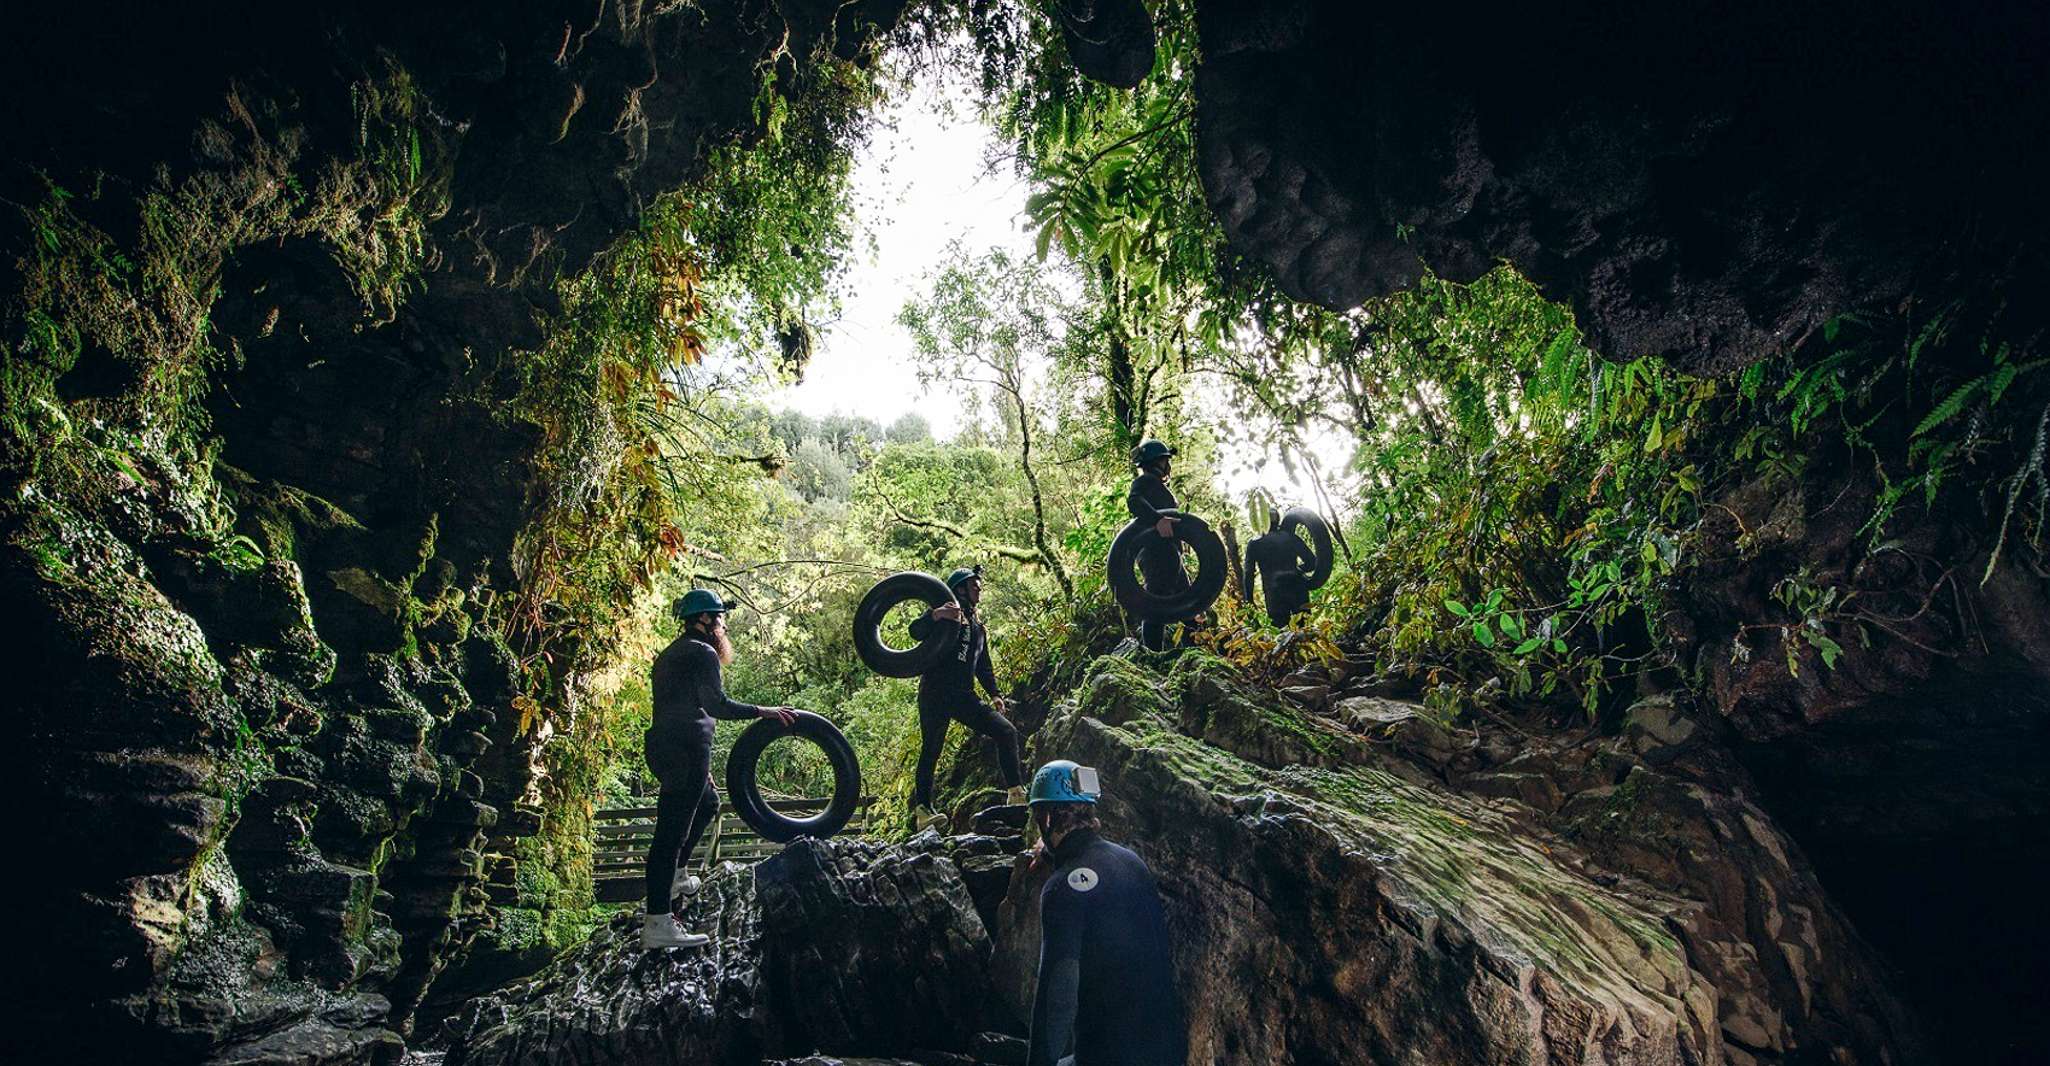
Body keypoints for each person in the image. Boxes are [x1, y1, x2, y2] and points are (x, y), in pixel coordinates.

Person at [642, 589, 797, 949]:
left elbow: (679, 707)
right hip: (684, 751)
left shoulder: (671, 654)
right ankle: (658, 923)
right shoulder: (703, 652)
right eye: (720, 617)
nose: (724, 624)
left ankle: (678, 876)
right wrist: (764, 711)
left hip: (669, 748)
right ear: (705, 620)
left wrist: (698, 763)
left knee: (708, 804)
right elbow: (716, 705)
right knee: (669, 836)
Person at [1025, 760, 1186, 1066]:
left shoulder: (1061, 890)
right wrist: (1053, 854)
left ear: (1046, 817)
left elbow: (1058, 997)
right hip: (1169, 1052)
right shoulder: (1130, 861)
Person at [905, 566, 1026, 831]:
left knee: (1006, 731)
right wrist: (936, 615)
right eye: (974, 585)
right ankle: (923, 812)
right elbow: (914, 630)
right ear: (960, 588)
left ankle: (1016, 794)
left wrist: (995, 694)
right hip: (935, 693)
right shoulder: (946, 613)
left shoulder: (978, 627)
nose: (979, 589)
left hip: (963, 695)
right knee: (931, 750)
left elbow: (983, 664)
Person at [1126, 439, 1188, 651]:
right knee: (1154, 604)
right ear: (1155, 462)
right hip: (1155, 554)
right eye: (1165, 460)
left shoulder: (1158, 486)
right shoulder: (1144, 482)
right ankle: (1152, 656)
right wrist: (1156, 519)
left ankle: (1196, 653)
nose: (1168, 465)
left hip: (1170, 554)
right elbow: (1134, 501)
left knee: (1189, 603)